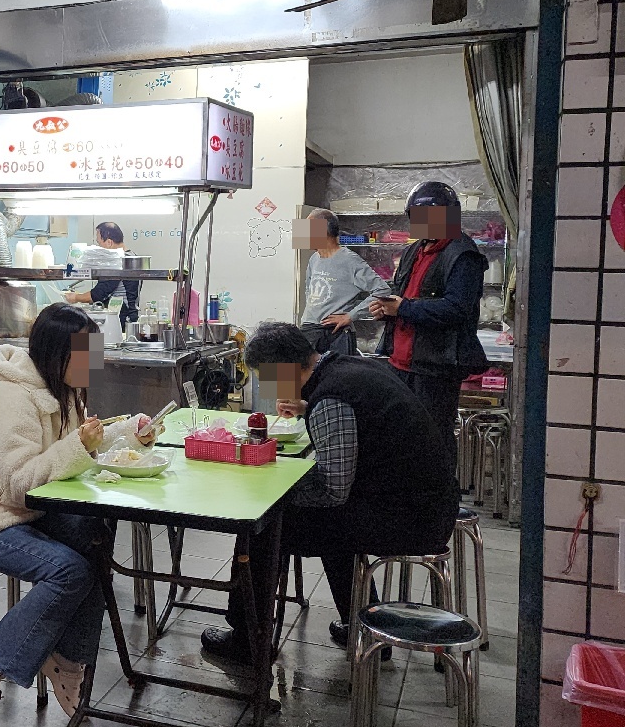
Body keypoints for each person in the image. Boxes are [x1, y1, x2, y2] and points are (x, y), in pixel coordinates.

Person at [0, 303, 162, 722]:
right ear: (56, 354)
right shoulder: (10, 398)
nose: (93, 365)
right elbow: (22, 486)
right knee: (70, 571)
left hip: (27, 513)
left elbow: (79, 447)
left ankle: (66, 661)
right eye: (86, 356)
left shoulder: (61, 390)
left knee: (95, 545)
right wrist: (80, 444)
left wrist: (131, 430)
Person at [200, 322, 459, 662]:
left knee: (264, 526)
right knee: (329, 525)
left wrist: (269, 493)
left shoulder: (331, 399)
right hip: (427, 503)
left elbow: (332, 491)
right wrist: (309, 408)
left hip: (408, 519)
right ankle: (362, 627)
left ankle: (248, 639)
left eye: (267, 376)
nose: (268, 387)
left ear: (285, 368)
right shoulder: (347, 368)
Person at [369, 181, 489, 476]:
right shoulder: (415, 251)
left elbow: (457, 308)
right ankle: (410, 506)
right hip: (400, 363)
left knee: (433, 440)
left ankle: (440, 508)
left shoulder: (463, 255)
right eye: (416, 217)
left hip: (435, 368)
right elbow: (402, 292)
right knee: (402, 439)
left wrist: (404, 308)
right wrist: (387, 310)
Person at [297, 208, 390, 356]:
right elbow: (309, 291)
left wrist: (351, 316)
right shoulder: (314, 259)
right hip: (310, 331)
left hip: (336, 334)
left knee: (338, 377)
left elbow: (382, 290)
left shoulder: (350, 261)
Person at [62, 222, 140, 330]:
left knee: (89, 346)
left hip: (117, 321)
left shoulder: (115, 260)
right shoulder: (132, 257)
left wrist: (75, 297)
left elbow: (99, 294)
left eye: (99, 243)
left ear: (109, 242)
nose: (98, 248)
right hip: (129, 319)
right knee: (92, 346)